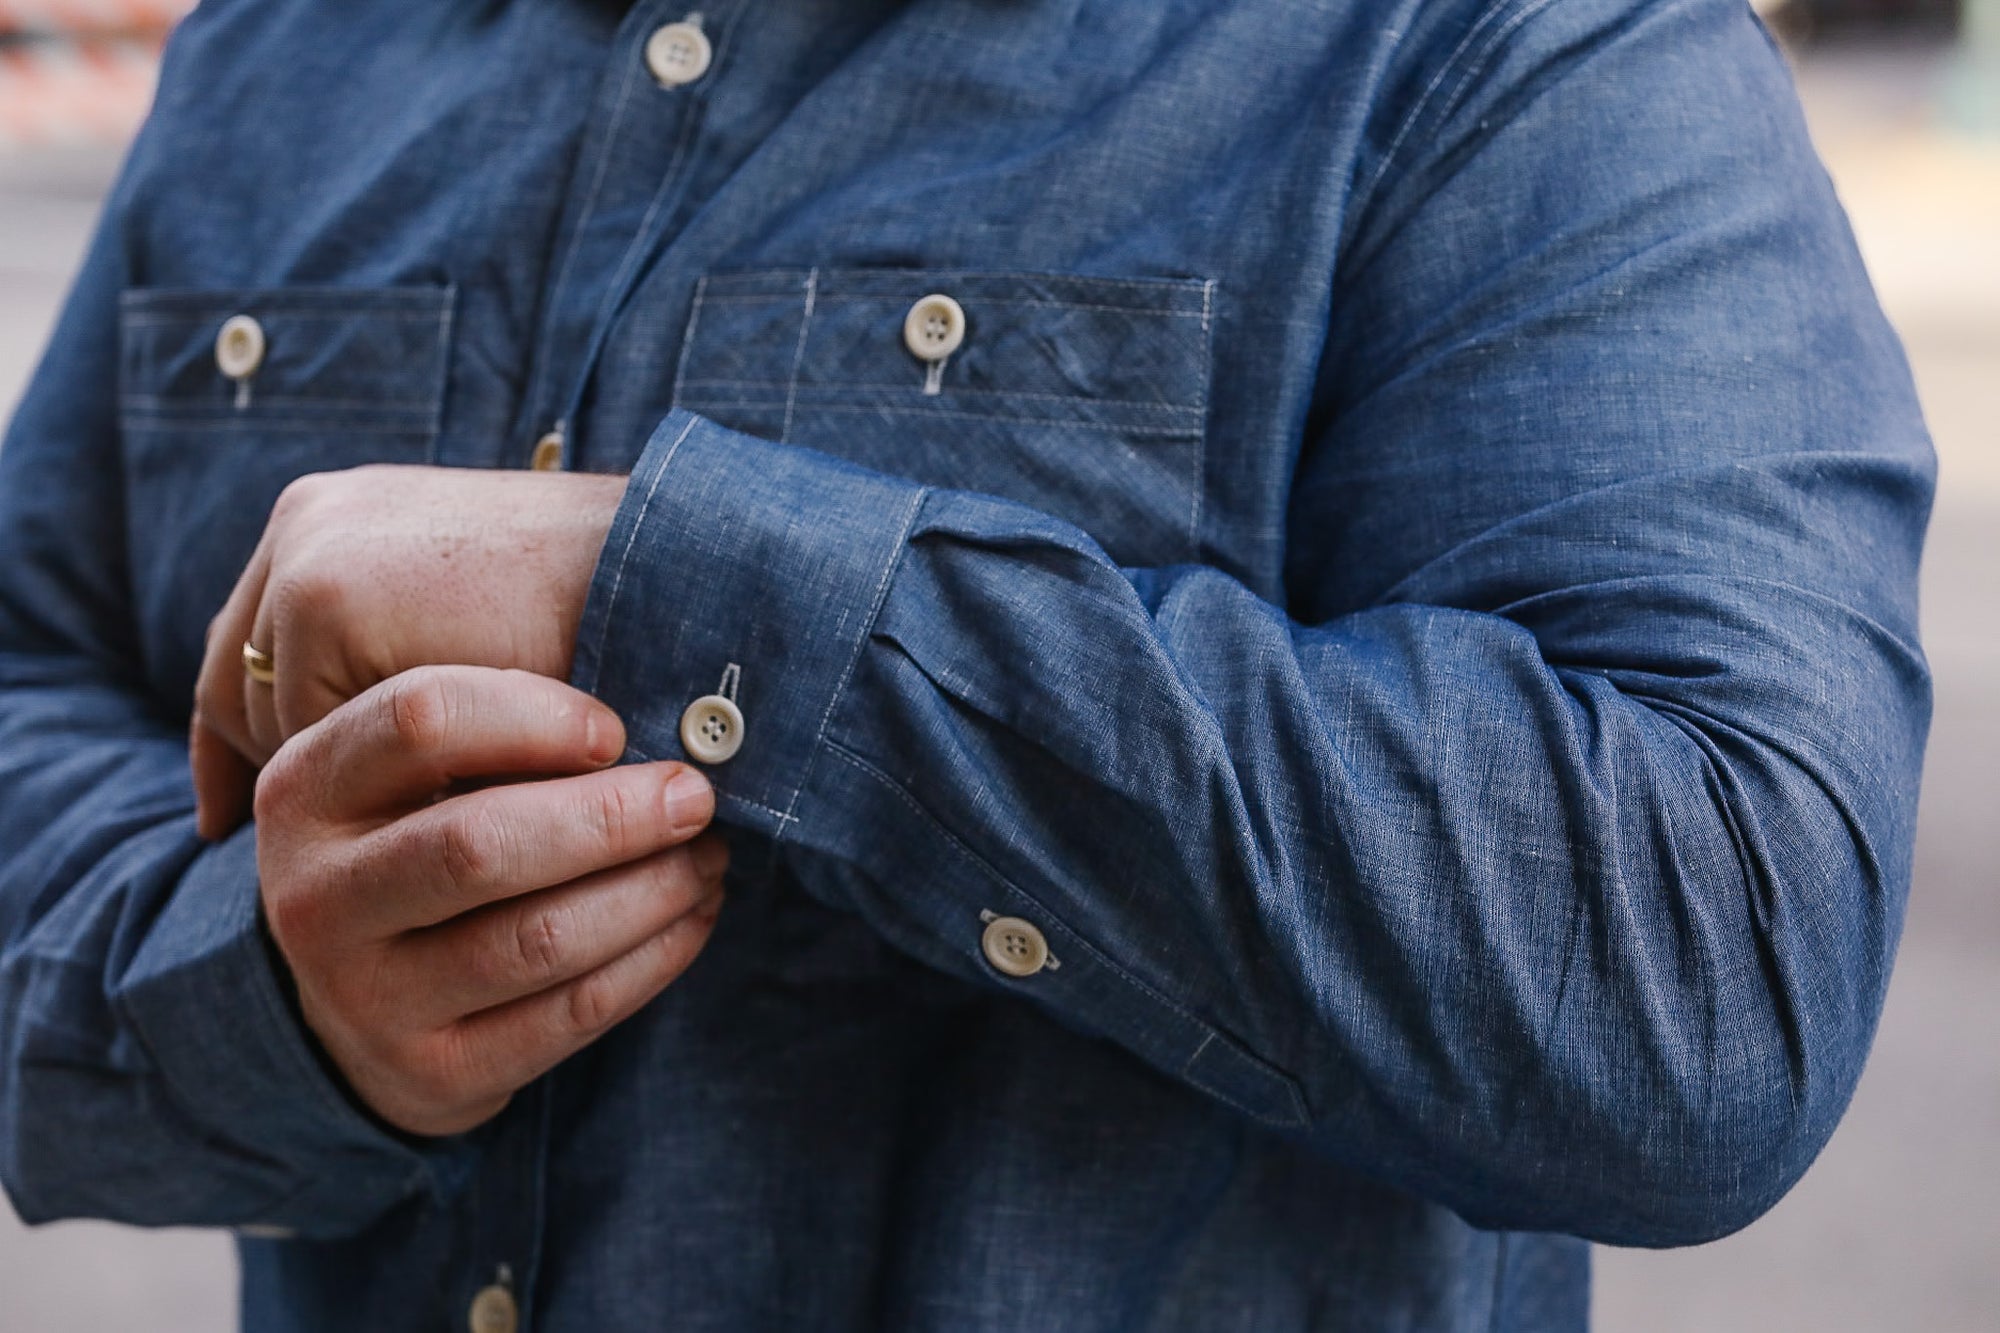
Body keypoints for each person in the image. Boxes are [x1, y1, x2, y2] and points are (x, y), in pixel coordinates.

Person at [0, 0, 1934, 1329]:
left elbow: (1707, 967)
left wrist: (672, 588)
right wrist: (269, 996)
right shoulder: (285, 51)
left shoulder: (1494, 43)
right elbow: (34, 673)